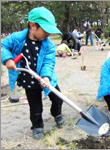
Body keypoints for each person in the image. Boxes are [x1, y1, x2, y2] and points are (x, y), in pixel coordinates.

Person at [1, 6, 65, 140]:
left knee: (58, 99)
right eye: (46, 30)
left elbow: (48, 62)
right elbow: (3, 46)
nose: (48, 34)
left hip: (47, 79)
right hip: (29, 81)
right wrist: (8, 59)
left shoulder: (48, 45)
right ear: (32, 25)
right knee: (35, 107)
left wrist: (46, 77)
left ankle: (57, 113)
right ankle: (37, 126)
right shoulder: (17, 38)